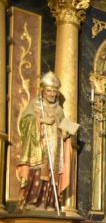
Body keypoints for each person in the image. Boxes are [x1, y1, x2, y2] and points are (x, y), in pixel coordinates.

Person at [17, 71, 75, 212]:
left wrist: (67, 132)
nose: (52, 94)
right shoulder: (35, 105)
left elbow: (66, 127)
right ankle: (32, 200)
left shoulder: (59, 110)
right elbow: (24, 122)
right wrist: (40, 120)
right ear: (43, 90)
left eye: (55, 92)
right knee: (37, 172)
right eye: (49, 91)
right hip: (39, 146)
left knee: (51, 175)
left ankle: (49, 202)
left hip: (54, 148)